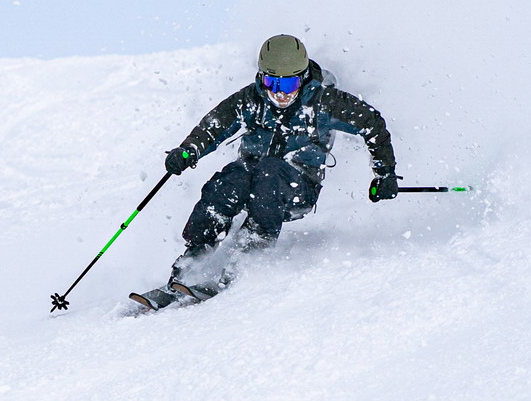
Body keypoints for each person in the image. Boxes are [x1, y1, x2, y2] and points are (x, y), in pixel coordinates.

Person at [160, 34, 398, 291]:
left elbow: (372, 124)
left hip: (298, 187)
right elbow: (214, 126)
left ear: (304, 77)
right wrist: (188, 151)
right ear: (261, 77)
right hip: (254, 177)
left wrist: (385, 174)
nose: (279, 93)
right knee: (231, 177)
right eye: (272, 82)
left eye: (289, 85)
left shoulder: (324, 102)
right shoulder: (250, 99)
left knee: (268, 172)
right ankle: (194, 257)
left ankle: (249, 256)